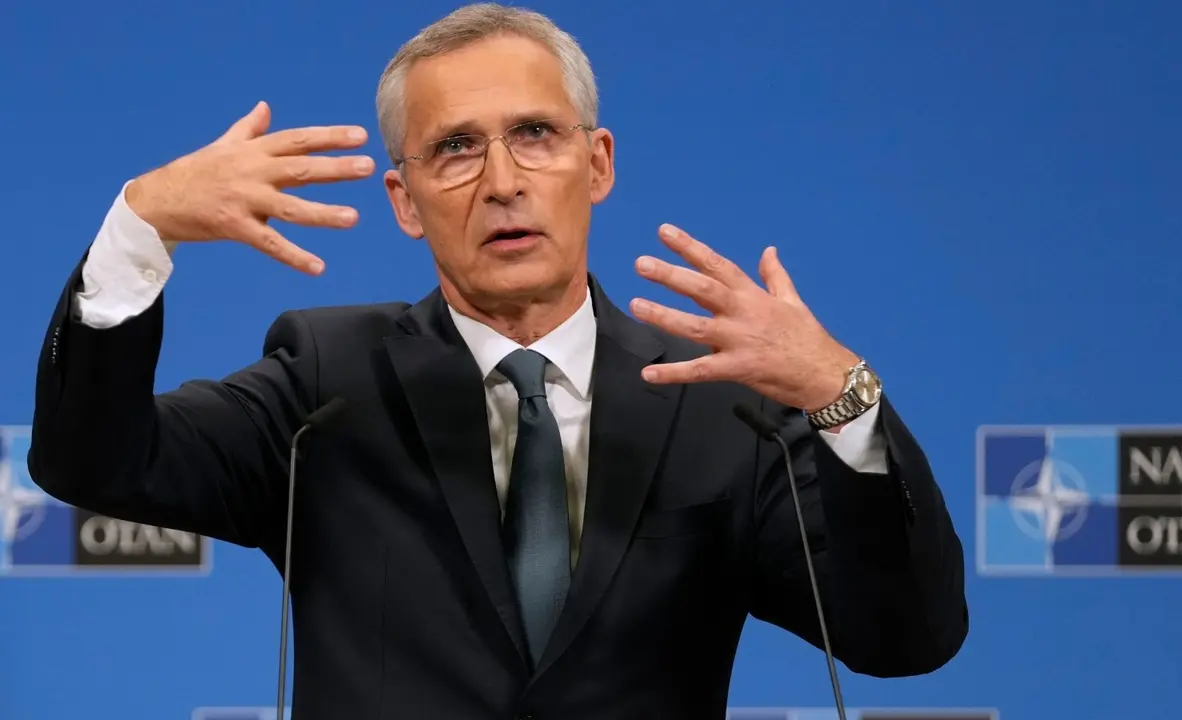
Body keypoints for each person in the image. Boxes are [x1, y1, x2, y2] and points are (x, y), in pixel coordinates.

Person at [27, 4, 968, 719]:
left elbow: (903, 640)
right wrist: (139, 226)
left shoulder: (721, 404)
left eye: (535, 135)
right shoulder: (326, 385)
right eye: (455, 149)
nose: (503, 181)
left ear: (596, 164)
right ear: (404, 199)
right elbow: (93, 460)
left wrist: (841, 399)